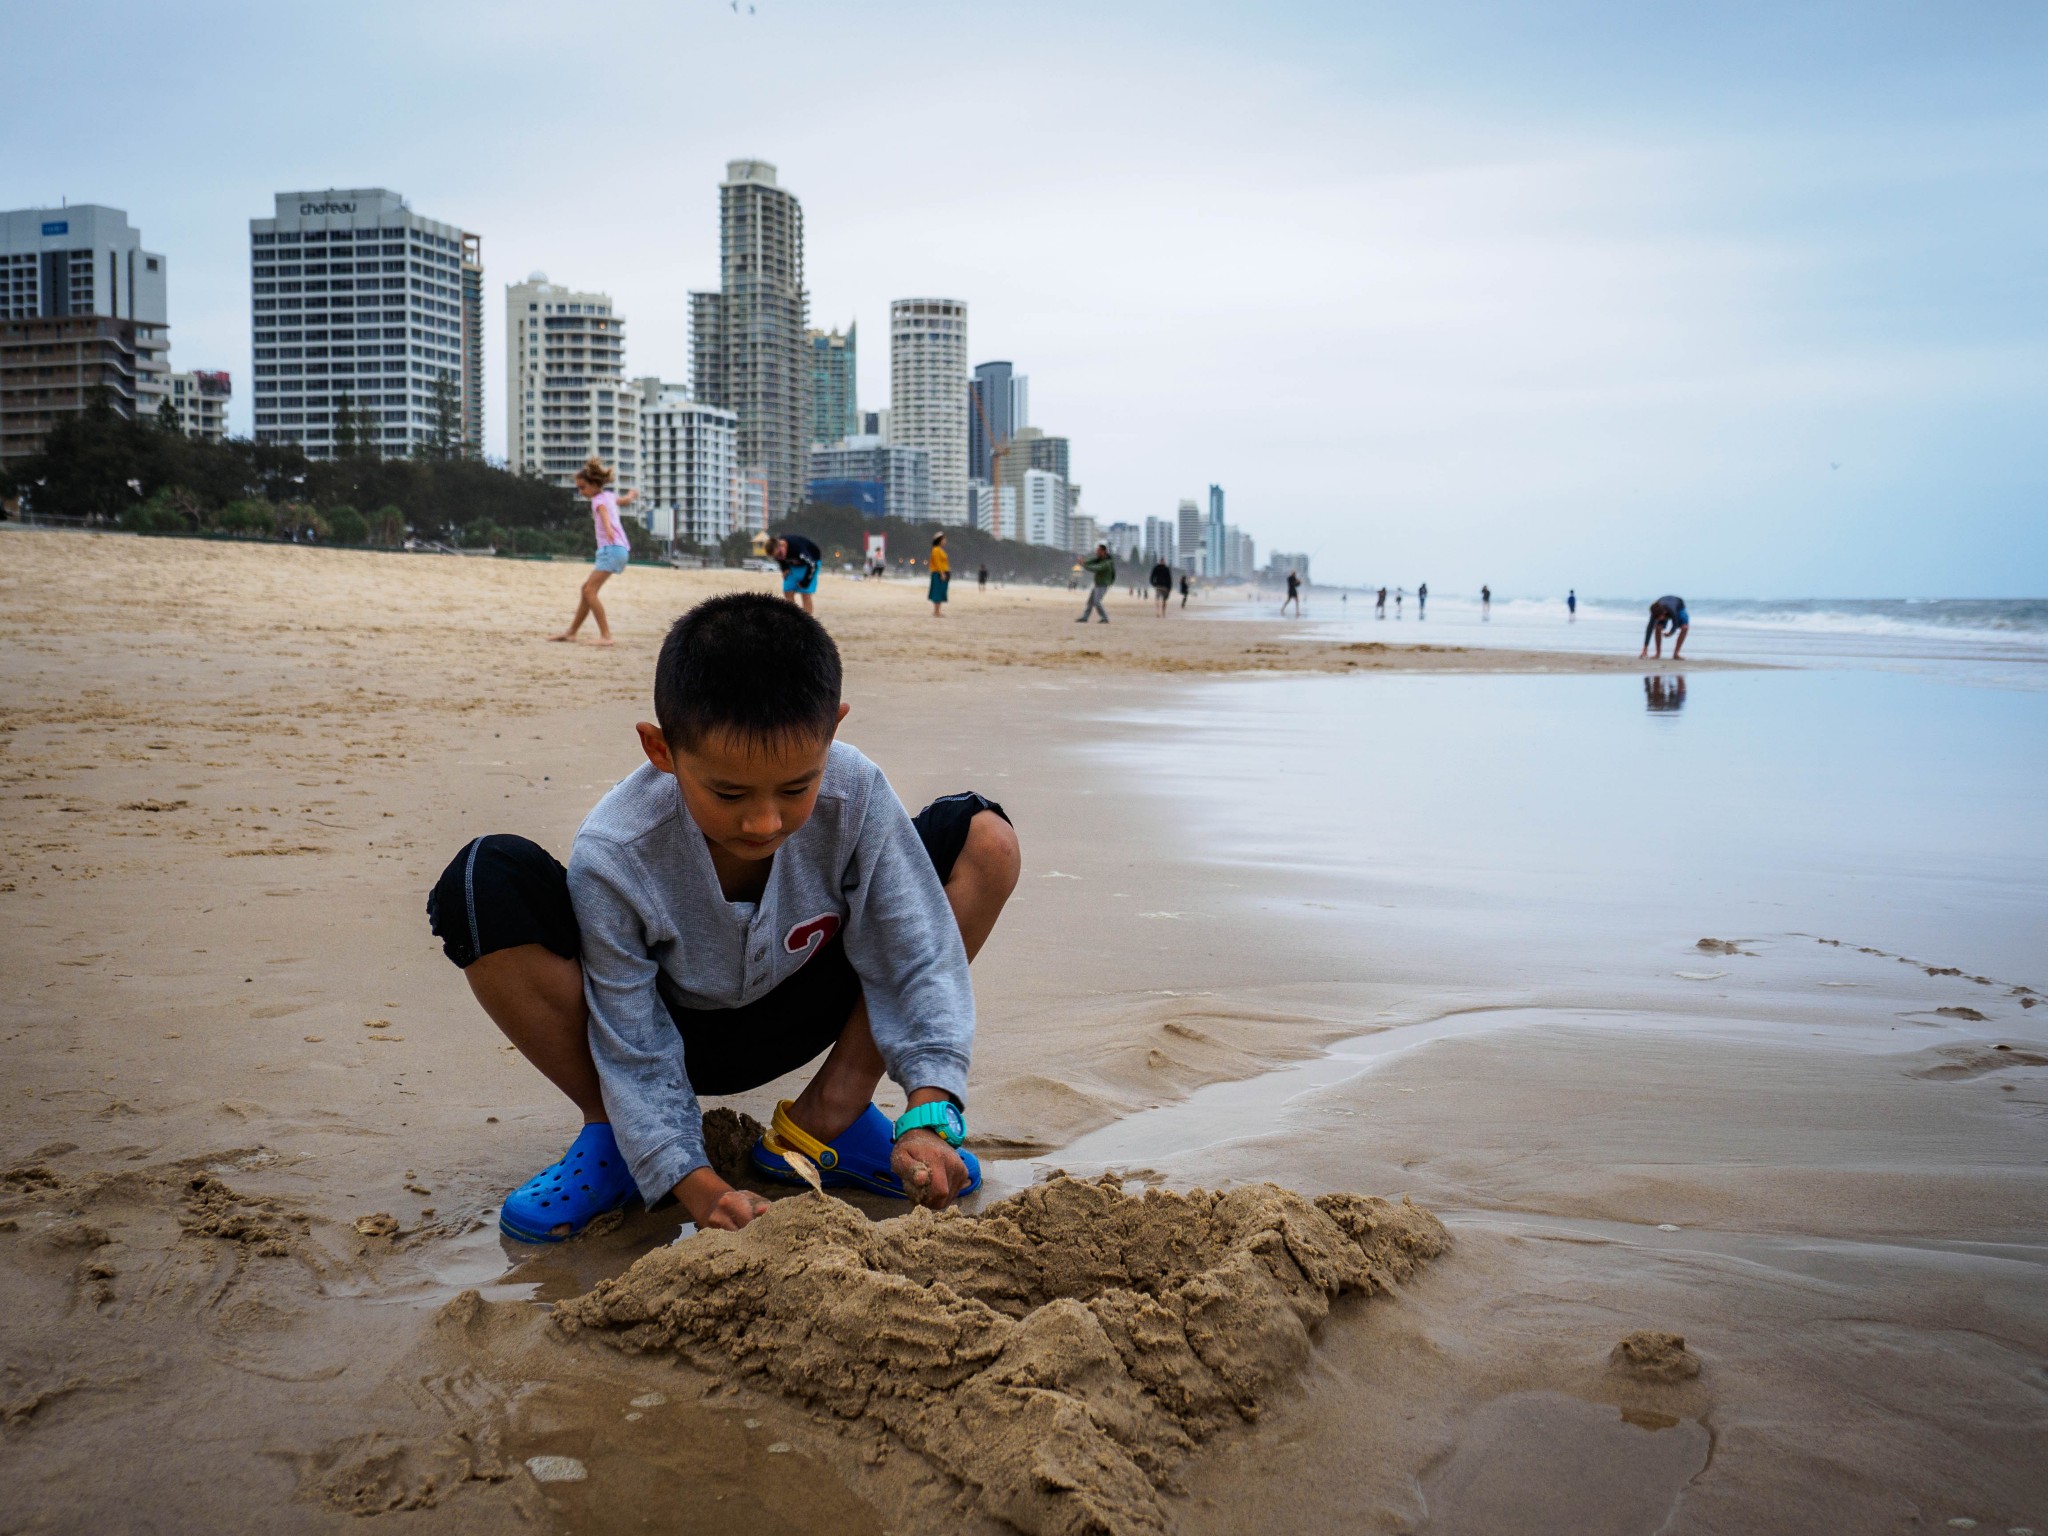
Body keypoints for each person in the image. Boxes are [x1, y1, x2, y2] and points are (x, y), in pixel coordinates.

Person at [427, 594, 1022, 1241]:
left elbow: (913, 950)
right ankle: (618, 1142)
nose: (765, 822)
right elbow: (634, 1039)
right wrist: (694, 1182)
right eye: (729, 793)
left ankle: (834, 1116)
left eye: (797, 787)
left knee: (984, 839)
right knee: (481, 879)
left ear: (833, 730)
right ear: (661, 749)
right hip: (666, 1032)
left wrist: (930, 1109)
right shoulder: (617, 850)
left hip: (805, 999)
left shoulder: (856, 791)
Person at [551, 457, 637, 646]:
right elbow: (622, 501)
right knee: (586, 590)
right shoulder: (610, 496)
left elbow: (604, 512)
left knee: (590, 591)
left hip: (611, 548)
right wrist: (631, 496)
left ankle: (606, 636)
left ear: (594, 484)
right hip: (618, 549)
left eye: (582, 487)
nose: (581, 491)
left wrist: (608, 529)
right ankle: (571, 632)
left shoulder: (598, 500)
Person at [773, 533, 823, 615]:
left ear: (783, 545)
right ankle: (793, 617)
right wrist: (784, 567)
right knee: (787, 591)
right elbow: (779, 557)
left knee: (805, 594)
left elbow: (812, 565)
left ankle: (807, 622)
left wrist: (805, 582)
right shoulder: (776, 546)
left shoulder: (798, 549)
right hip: (793, 565)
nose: (779, 558)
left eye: (780, 554)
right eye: (776, 557)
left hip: (810, 564)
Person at [1641, 595, 1690, 659]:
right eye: (1657, 618)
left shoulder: (1672, 610)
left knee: (1685, 627)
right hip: (1661, 605)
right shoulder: (1655, 612)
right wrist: (1645, 648)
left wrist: (1670, 633)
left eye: (1659, 618)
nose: (1658, 619)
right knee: (1658, 627)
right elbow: (1649, 629)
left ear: (1664, 612)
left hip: (1679, 606)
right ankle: (1657, 653)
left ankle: (1676, 654)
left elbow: (1675, 624)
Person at [1077, 542, 1115, 623]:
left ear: (1103, 551)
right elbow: (1089, 561)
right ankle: (1085, 617)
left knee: (1096, 602)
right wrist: (1083, 562)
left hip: (1102, 585)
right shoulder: (1099, 559)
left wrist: (1083, 564)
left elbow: (1096, 568)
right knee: (1090, 602)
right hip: (1097, 585)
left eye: (1098, 550)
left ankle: (1105, 618)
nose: (1096, 552)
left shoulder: (1106, 563)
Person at [927, 532, 950, 617]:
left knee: (941, 592)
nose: (945, 541)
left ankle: (938, 610)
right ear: (939, 540)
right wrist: (942, 573)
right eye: (944, 539)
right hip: (938, 573)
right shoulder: (936, 549)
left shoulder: (940, 549)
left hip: (944, 572)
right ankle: (936, 611)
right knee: (937, 592)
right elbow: (937, 563)